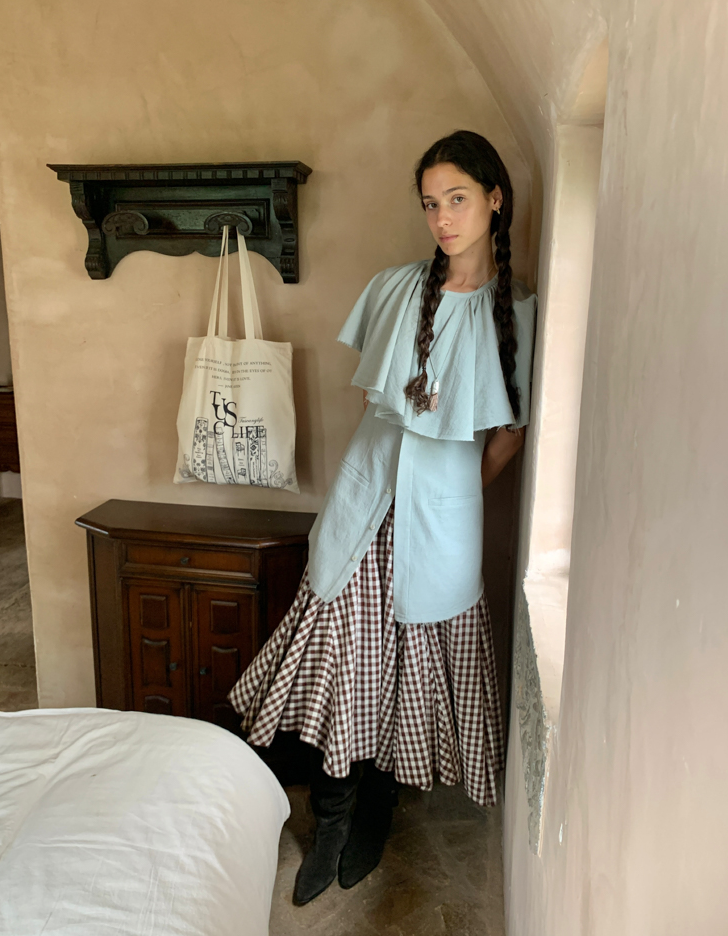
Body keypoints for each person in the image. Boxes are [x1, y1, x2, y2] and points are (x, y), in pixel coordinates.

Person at [229, 130, 536, 906]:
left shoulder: (518, 313)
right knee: (346, 665)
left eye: (457, 199)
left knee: (407, 677)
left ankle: (377, 809)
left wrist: (455, 490)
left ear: (495, 198)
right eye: (431, 204)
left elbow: (507, 437)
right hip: (364, 507)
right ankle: (332, 820)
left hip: (441, 524)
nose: (443, 218)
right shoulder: (397, 288)